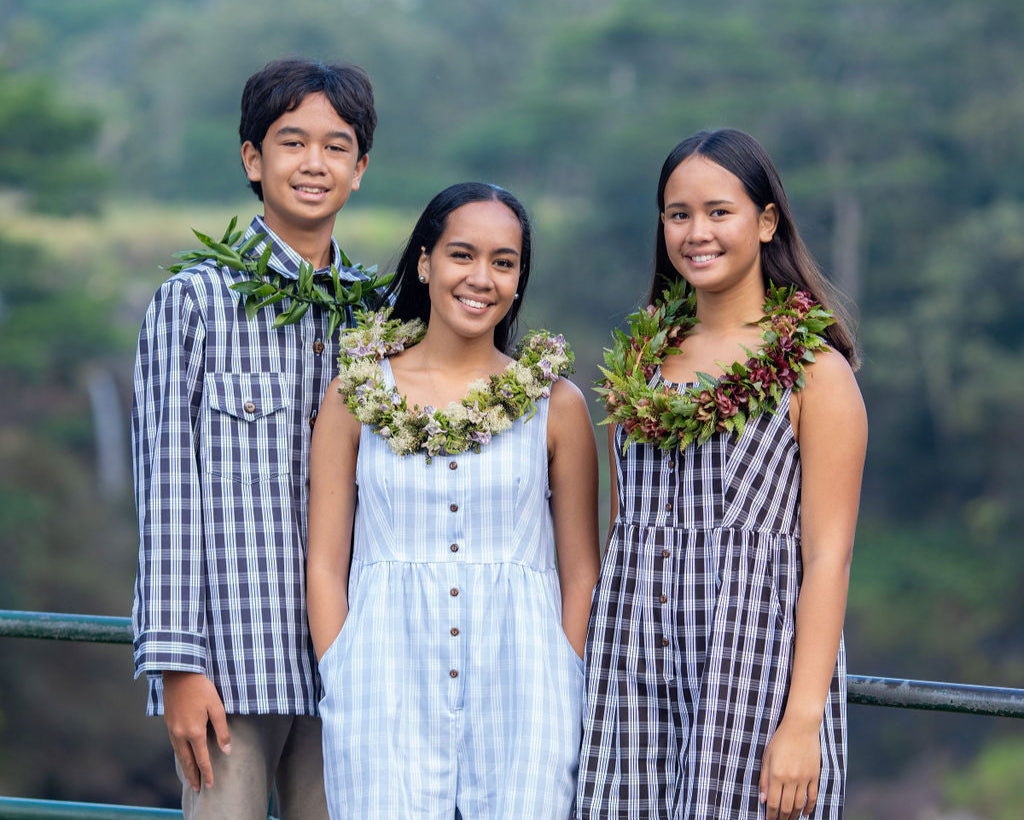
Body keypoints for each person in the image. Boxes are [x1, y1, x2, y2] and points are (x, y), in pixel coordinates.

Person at [576, 129, 867, 820]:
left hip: (750, 678)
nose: (696, 233)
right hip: (630, 672)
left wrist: (801, 723)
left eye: (718, 212)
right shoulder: (639, 364)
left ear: (766, 222)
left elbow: (828, 558)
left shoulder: (815, 372)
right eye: (678, 214)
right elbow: (621, 530)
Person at [131, 57, 377, 820]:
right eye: (291, 142)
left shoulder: (378, 315)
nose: (314, 163)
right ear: (252, 159)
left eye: (336, 146)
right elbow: (167, 491)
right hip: (234, 666)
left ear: (361, 169)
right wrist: (177, 666)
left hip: (355, 670)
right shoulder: (194, 303)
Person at [307, 182, 601, 818]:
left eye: (504, 262)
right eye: (462, 254)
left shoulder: (556, 405)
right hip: (383, 687)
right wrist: (343, 668)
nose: (481, 278)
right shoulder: (355, 394)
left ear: (519, 279)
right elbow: (325, 565)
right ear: (425, 263)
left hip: (525, 691)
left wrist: (563, 668)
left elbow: (581, 571)